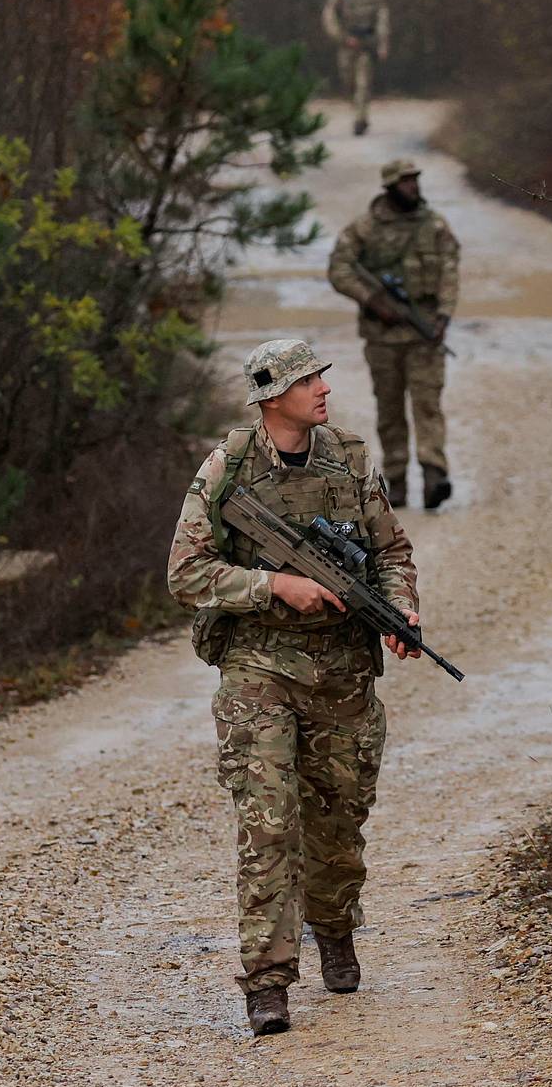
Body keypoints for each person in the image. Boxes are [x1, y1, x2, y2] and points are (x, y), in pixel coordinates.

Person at [167, 338, 420, 1036]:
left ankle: (334, 925)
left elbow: (391, 550)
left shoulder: (349, 458)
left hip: (342, 671)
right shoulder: (227, 469)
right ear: (271, 395)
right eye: (308, 379)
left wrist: (401, 612)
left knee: (338, 822)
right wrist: (273, 584)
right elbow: (186, 573)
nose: (322, 388)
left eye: (321, 377)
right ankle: (268, 980)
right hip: (259, 668)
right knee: (268, 825)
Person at [327, 158, 459, 510]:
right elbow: (339, 269)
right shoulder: (365, 229)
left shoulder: (434, 226)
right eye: (406, 182)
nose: (413, 187)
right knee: (389, 411)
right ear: (389, 187)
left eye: (416, 180)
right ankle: (396, 480)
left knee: (428, 405)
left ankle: (434, 474)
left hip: (424, 335)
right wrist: (372, 300)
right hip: (382, 338)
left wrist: (444, 316)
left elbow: (449, 271)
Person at [322, 0, 390, 136]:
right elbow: (329, 17)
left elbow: (382, 19)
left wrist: (382, 43)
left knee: (364, 83)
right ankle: (356, 108)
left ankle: (360, 119)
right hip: (346, 43)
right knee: (348, 81)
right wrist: (342, 37)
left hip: (366, 43)